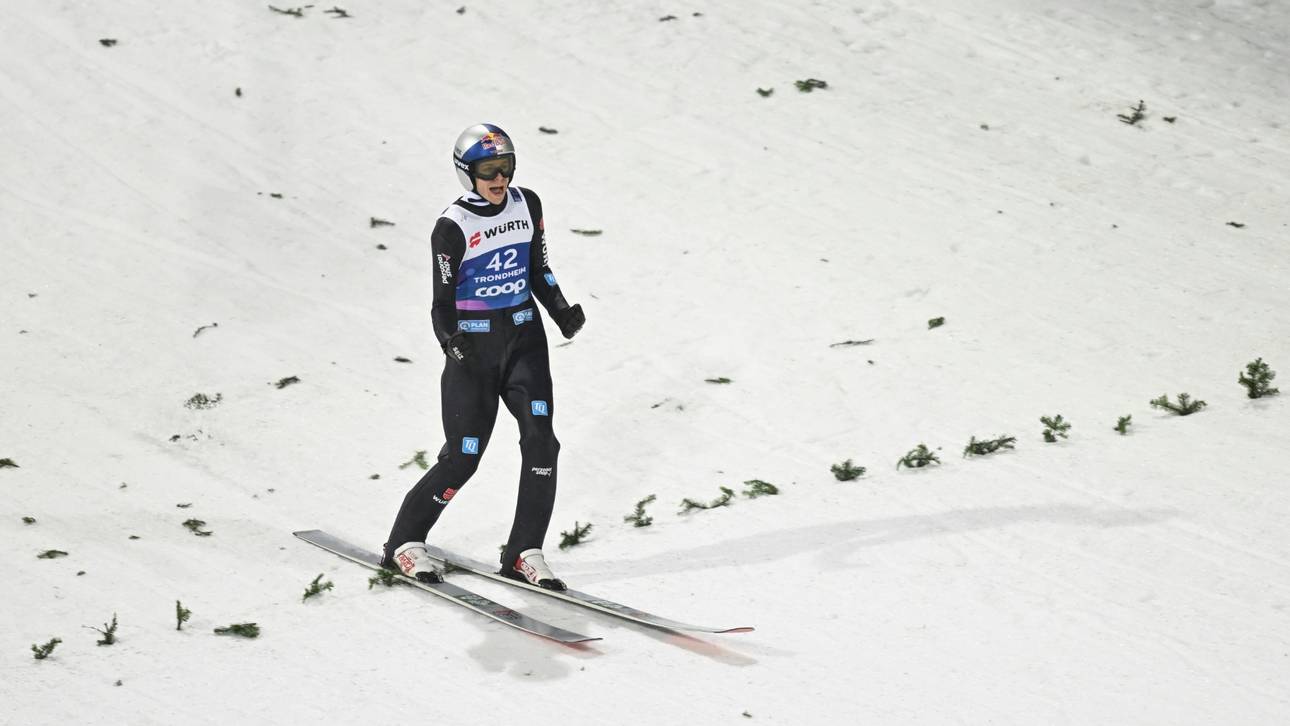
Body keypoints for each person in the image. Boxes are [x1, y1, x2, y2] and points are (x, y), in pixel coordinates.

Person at [381, 124, 585, 590]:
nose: (499, 180)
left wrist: (560, 313)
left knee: (542, 443)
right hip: (474, 351)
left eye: (506, 168)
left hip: (524, 339)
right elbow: (441, 302)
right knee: (464, 456)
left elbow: (539, 269)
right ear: (465, 174)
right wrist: (449, 340)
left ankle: (524, 551)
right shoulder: (452, 227)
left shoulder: (526, 204)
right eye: (488, 171)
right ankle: (404, 543)